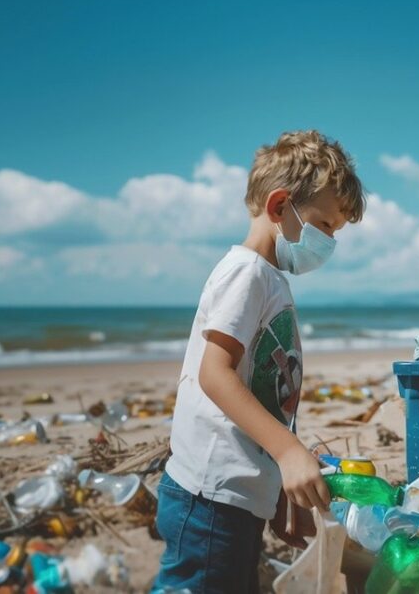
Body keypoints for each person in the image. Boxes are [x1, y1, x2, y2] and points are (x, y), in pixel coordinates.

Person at [151, 130, 366, 593]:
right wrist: (290, 453)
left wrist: (278, 489)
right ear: (279, 206)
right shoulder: (246, 273)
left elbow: (264, 400)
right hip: (207, 497)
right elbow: (215, 374)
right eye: (325, 225)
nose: (329, 241)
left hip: (238, 494)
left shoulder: (270, 279)